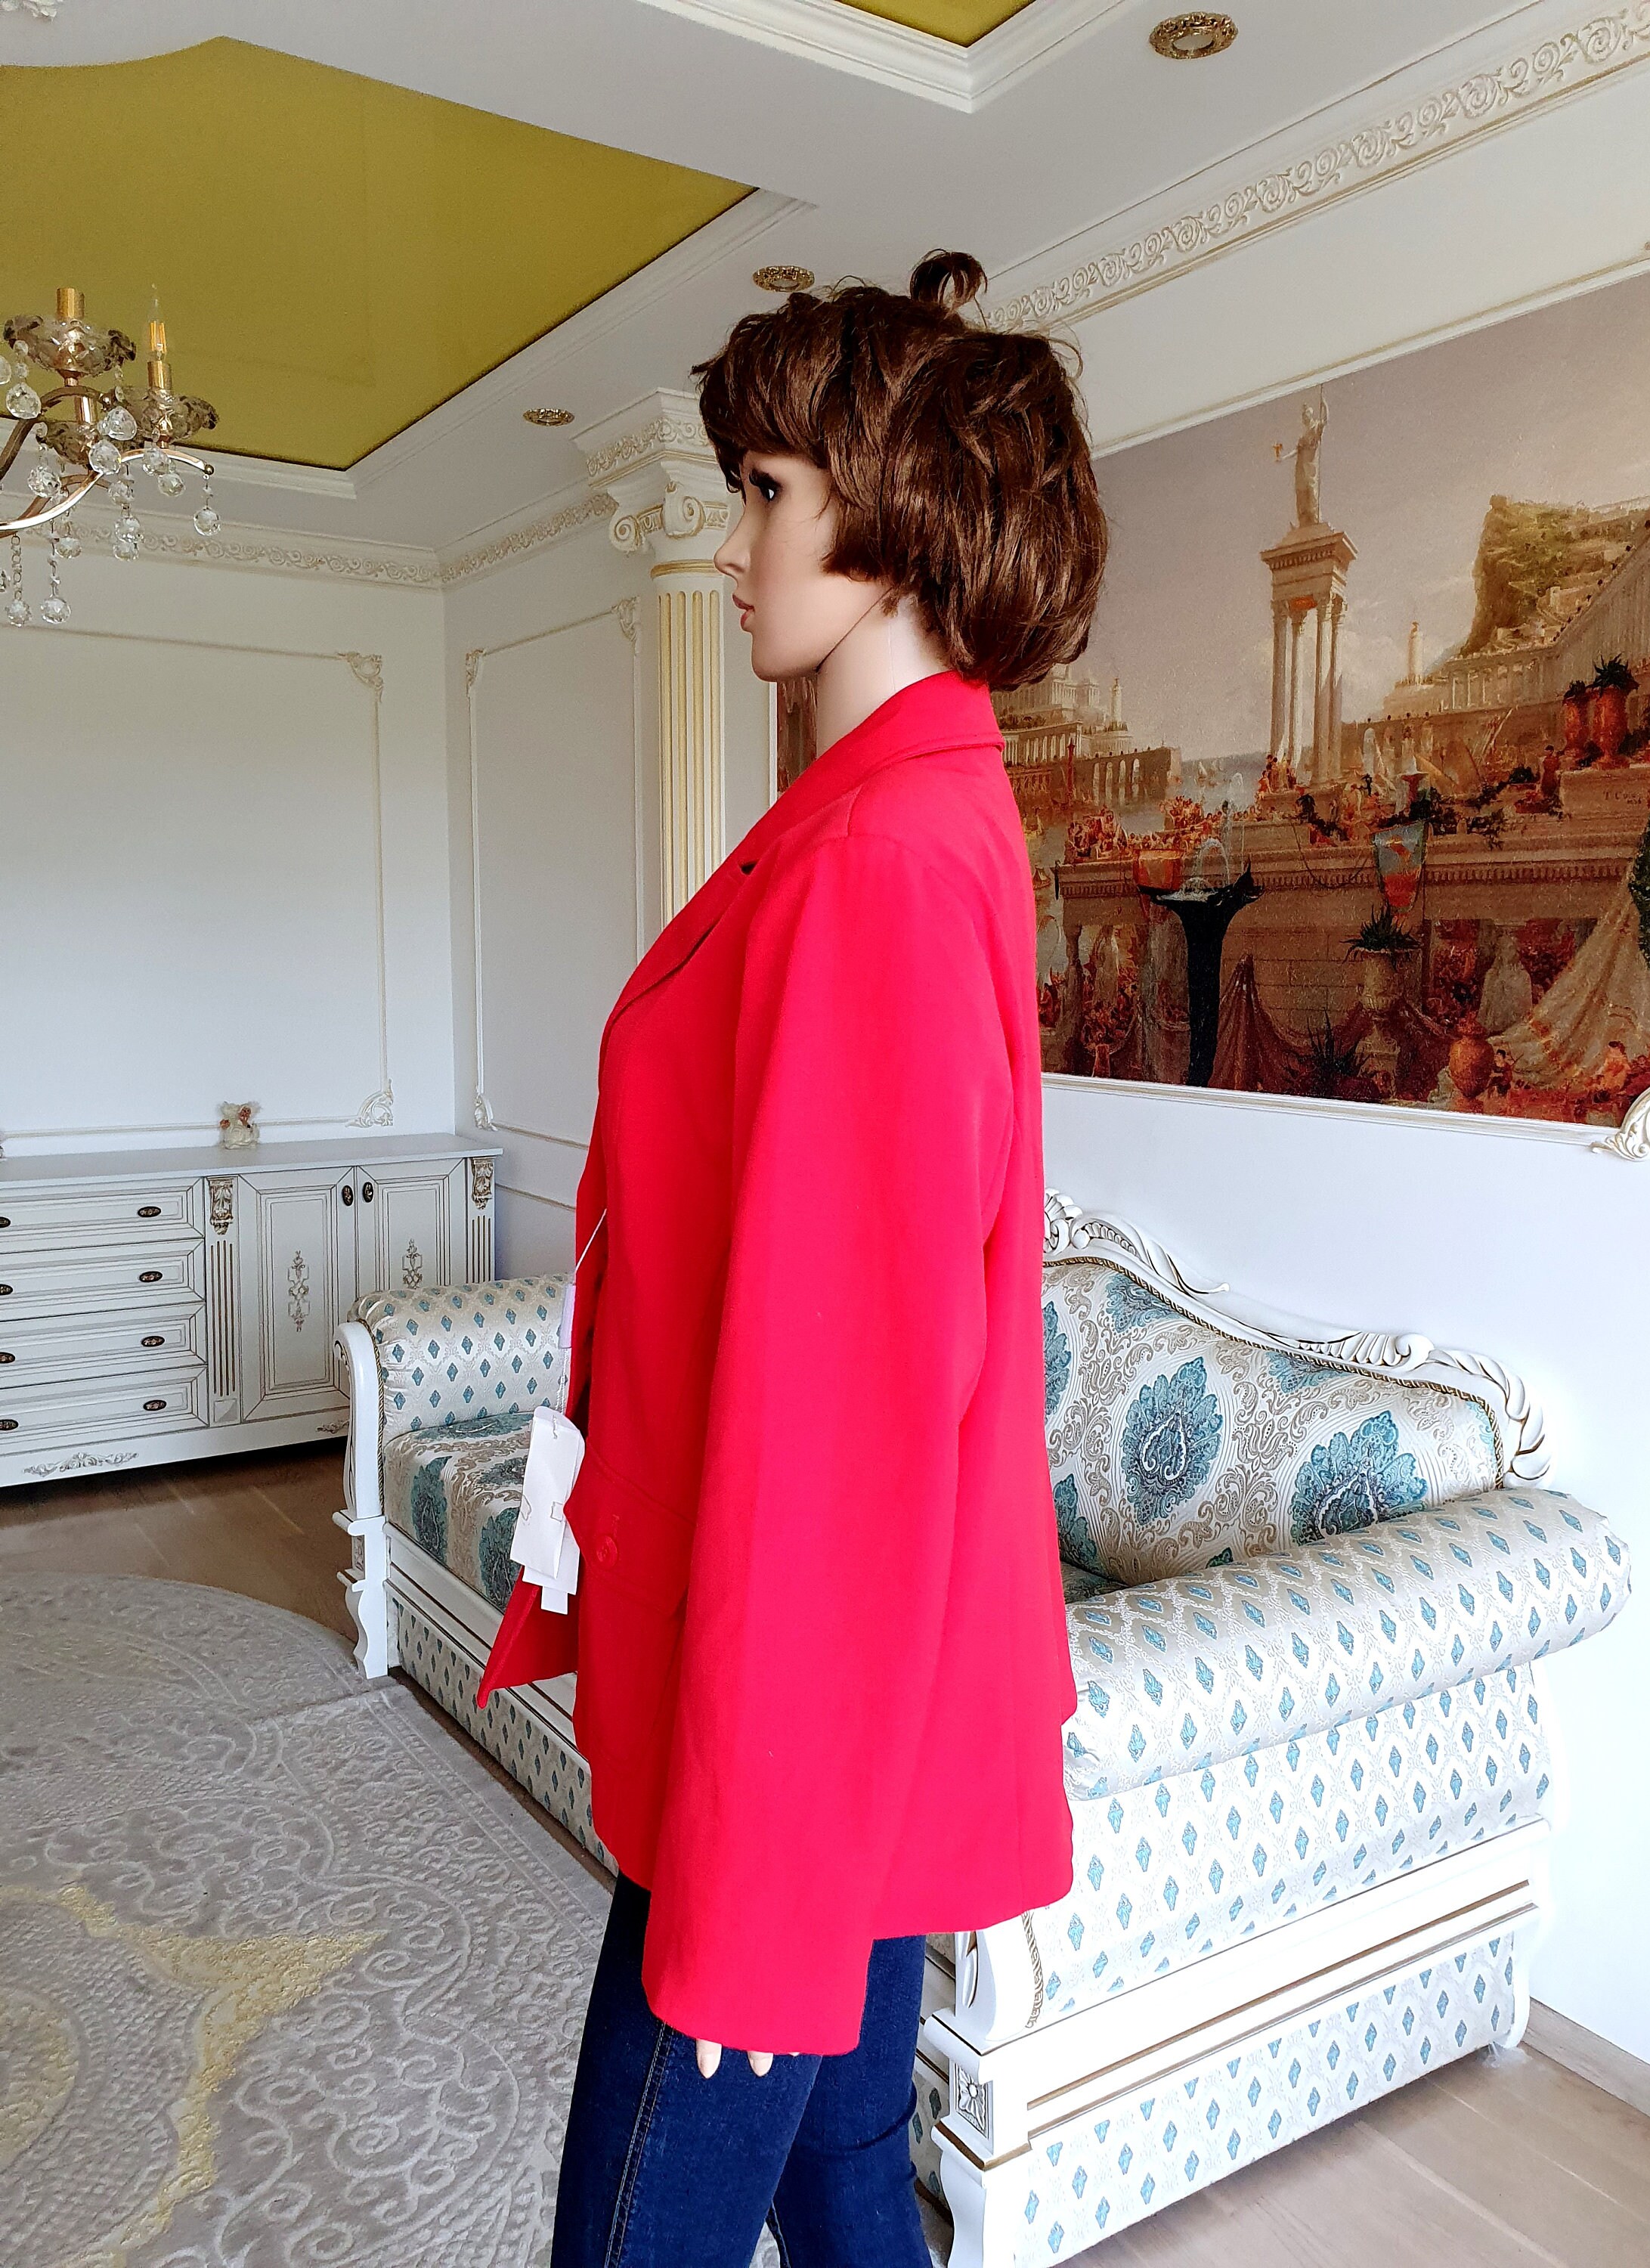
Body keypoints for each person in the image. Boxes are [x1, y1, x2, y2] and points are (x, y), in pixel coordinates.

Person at [475, 249, 1108, 2266]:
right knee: (842, 2186)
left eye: (764, 492)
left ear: (892, 516)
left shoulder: (879, 859)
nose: (735, 544)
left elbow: (845, 1416)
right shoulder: (891, 819)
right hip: (840, 1721)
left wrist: (757, 1873)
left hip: (794, 1743)